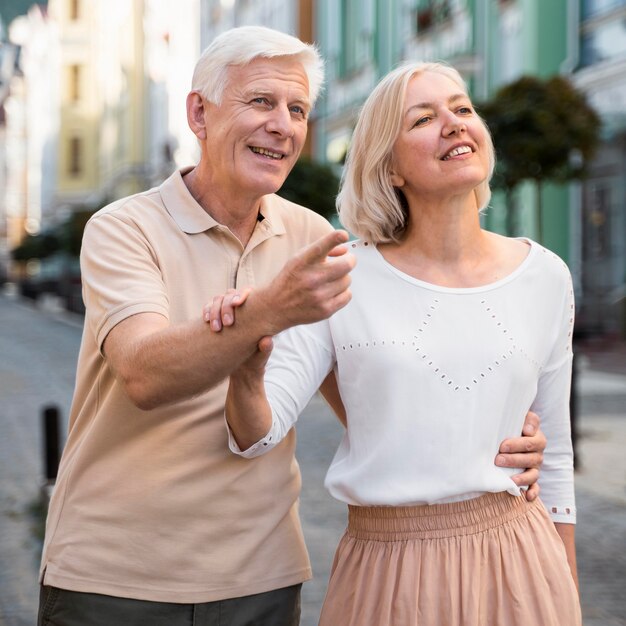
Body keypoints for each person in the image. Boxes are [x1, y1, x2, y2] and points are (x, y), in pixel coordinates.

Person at [37, 25, 546, 626]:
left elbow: (375, 395)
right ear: (199, 113)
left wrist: (502, 441)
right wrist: (270, 310)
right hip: (117, 577)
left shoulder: (312, 237)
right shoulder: (124, 228)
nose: (284, 125)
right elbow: (145, 375)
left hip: (261, 578)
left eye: (298, 109)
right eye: (261, 101)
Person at [221, 61, 581, 625]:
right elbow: (256, 434)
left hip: (522, 562)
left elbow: (554, 456)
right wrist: (245, 365)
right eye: (424, 118)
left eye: (462, 109)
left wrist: (566, 588)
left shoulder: (546, 276)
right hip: (388, 573)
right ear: (389, 166)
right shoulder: (340, 277)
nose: (454, 123)